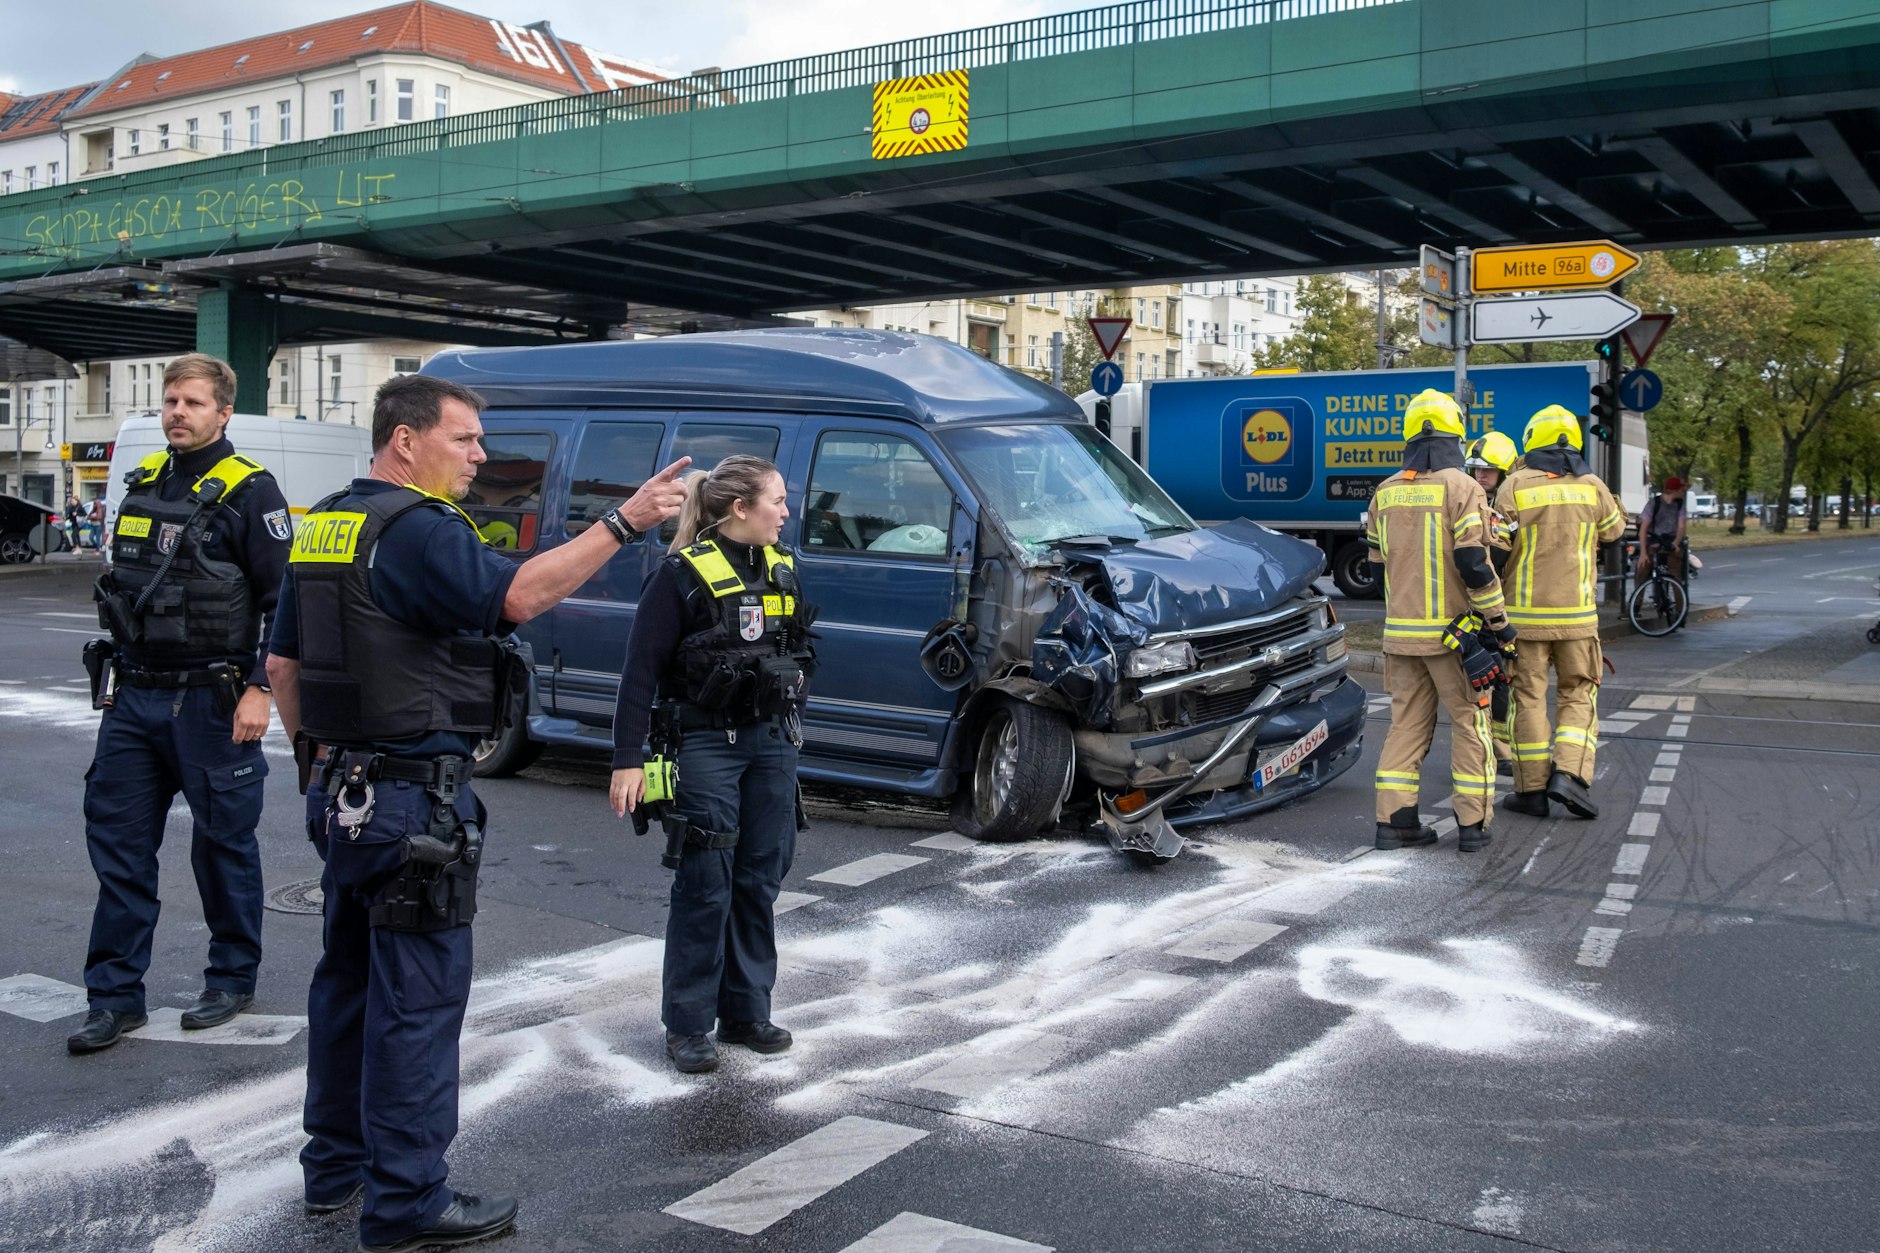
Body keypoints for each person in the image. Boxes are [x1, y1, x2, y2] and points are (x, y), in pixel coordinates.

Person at [266, 375, 689, 1253]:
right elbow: (523, 595)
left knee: (346, 983)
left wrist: (319, 766)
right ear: (405, 441)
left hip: (341, 787)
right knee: (416, 1001)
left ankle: (333, 1168)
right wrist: (624, 522)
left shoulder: (330, 520)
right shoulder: (417, 528)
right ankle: (406, 1202)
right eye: (464, 439)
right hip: (411, 797)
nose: (481, 456)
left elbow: (281, 666)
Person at [69, 354, 291, 1055]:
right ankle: (114, 997)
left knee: (223, 846)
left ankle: (230, 977)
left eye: (193, 402)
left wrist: (260, 688)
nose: (177, 412)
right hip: (134, 696)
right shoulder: (143, 485)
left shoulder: (252, 492)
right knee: (121, 850)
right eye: (170, 400)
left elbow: (287, 603)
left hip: (213, 701)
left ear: (224, 412)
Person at [609, 455, 816, 1074]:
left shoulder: (784, 568)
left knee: (759, 877)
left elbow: (803, 649)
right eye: (777, 501)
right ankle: (689, 1025)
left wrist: (789, 699)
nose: (787, 511)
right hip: (705, 746)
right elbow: (639, 674)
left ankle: (747, 1010)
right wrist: (627, 762)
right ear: (739, 509)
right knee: (705, 884)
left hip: (771, 744)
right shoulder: (679, 576)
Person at [1366, 390, 1514, 854]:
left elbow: (1376, 569)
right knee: (1471, 724)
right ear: (1456, 435)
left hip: (1400, 638)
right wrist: (1500, 624)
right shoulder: (1464, 487)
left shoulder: (1385, 491)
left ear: (1409, 435)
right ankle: (1473, 825)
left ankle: (1395, 823)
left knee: (1405, 726)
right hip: (1455, 639)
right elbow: (1475, 562)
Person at [1495, 404, 1628, 820]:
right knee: (1579, 694)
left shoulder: (1514, 485)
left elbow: (1496, 549)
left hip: (1524, 621)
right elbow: (1614, 531)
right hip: (1578, 620)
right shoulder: (1593, 485)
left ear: (1533, 439)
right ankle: (1569, 775)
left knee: (1528, 699)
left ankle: (1531, 791)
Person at [1465, 431, 1520, 777]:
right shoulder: (1466, 501)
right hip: (1473, 612)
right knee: (1481, 687)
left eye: (1489, 470)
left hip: (1497, 609)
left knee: (1500, 685)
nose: (1481, 475)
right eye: (1476, 469)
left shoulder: (1504, 507)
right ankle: (1493, 752)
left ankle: (1499, 748)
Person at [1635, 475, 1689, 586]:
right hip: (1655, 541)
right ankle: (1637, 602)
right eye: (1681, 490)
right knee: (1643, 569)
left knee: (1675, 572)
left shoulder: (1679, 505)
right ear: (1675, 491)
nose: (1683, 492)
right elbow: (1643, 530)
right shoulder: (1654, 504)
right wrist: (1643, 553)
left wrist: (1675, 543)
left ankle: (1680, 602)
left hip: (1671, 543)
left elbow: (1681, 527)